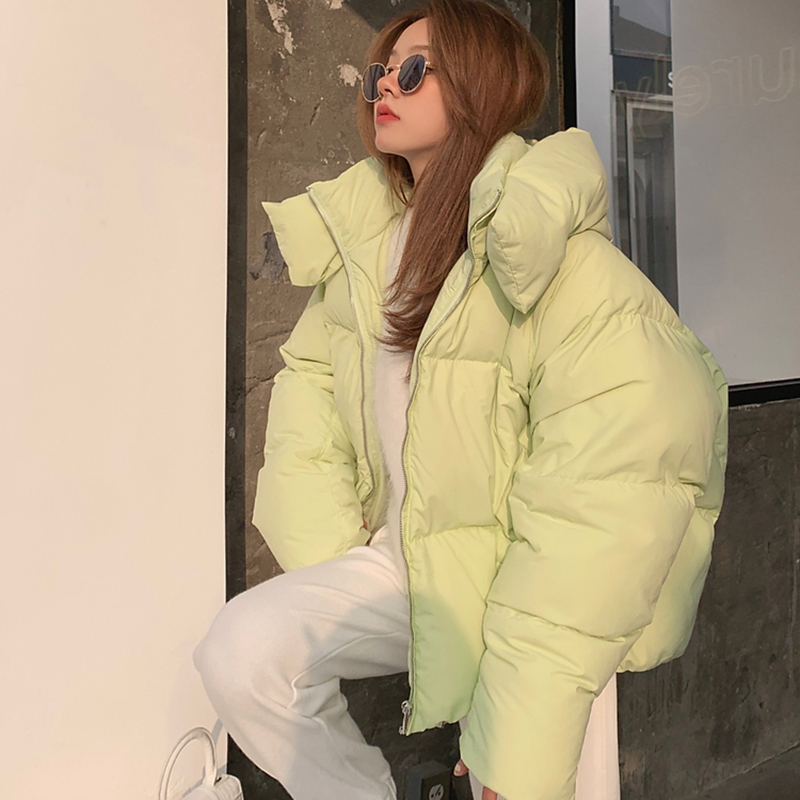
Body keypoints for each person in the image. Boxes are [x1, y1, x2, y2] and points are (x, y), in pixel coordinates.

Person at [193, 1, 729, 798]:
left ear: (482, 84)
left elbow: (612, 493)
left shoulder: (559, 262)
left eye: (415, 70)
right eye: (380, 71)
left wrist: (514, 738)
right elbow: (309, 406)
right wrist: (334, 544)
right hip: (411, 565)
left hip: (539, 582)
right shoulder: (365, 253)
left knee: (525, 771)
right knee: (243, 651)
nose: (385, 85)